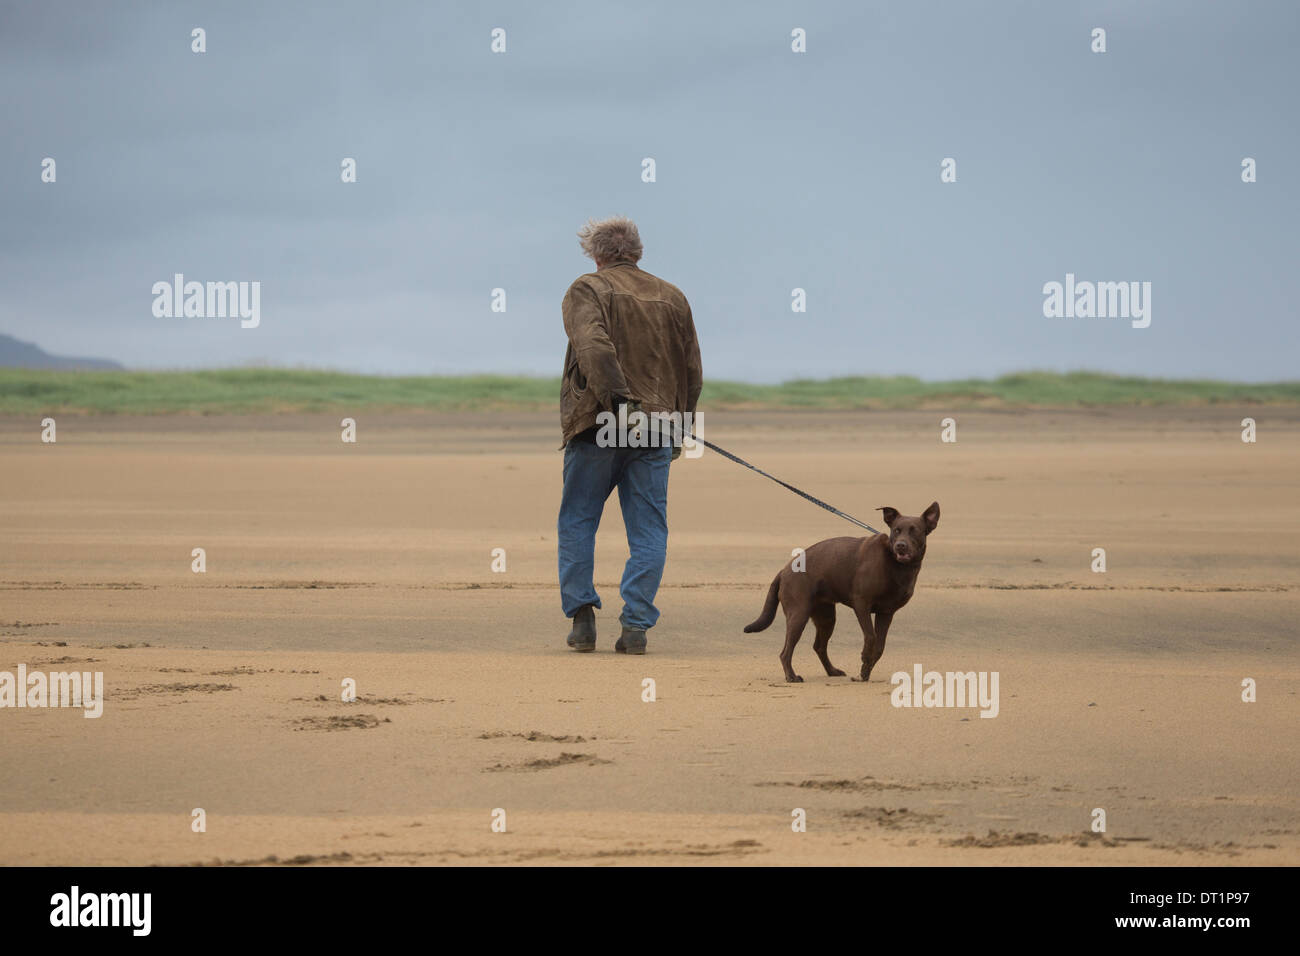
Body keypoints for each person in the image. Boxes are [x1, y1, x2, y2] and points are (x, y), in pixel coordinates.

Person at [557, 216, 702, 655]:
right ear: (636, 251)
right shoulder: (671, 296)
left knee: (579, 519)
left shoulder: (587, 288)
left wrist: (620, 404)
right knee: (648, 529)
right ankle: (635, 625)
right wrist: (681, 427)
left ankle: (583, 618)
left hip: (598, 424)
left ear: (595, 253)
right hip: (656, 427)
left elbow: (593, 347)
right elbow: (692, 371)